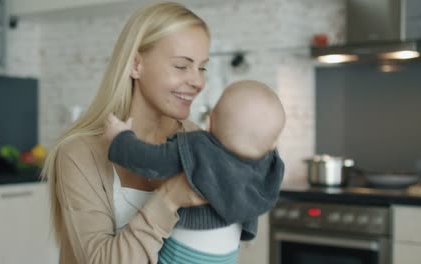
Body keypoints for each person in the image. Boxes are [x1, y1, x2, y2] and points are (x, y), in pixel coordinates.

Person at [41, 2, 212, 263]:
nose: (198, 81)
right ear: (135, 65)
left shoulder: (200, 144)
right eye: (181, 66)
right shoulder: (81, 153)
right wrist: (168, 199)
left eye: (202, 68)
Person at [105, 80, 286, 263]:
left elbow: (150, 160)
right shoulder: (268, 167)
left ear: (208, 122)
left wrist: (120, 139)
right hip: (227, 258)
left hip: (181, 257)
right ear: (272, 143)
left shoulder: (197, 148)